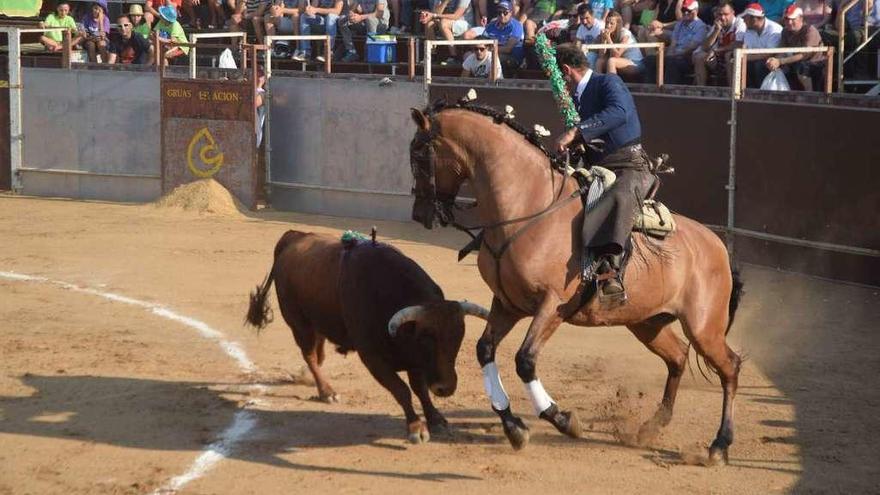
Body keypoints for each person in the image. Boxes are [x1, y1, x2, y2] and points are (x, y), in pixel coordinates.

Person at [554, 42, 655, 301]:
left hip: (628, 164)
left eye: (557, 77)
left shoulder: (608, 83)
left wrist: (576, 132)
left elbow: (618, 113)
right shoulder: (579, 96)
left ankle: (612, 270)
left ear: (566, 70)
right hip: (595, 165)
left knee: (619, 197)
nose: (558, 85)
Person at [766, 4, 825, 90]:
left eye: (792, 19)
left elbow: (805, 54)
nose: (789, 22)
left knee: (802, 68)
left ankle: (810, 95)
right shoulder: (785, 31)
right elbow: (781, 50)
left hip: (815, 62)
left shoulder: (809, 30)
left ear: (801, 18)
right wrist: (774, 61)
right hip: (795, 61)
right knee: (775, 67)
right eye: (786, 19)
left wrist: (780, 61)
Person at [692, 0, 745, 85]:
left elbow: (739, 44)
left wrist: (716, 50)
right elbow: (704, 47)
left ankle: (733, 93)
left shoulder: (740, 23)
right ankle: (700, 90)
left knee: (729, 55)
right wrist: (716, 31)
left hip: (735, 59)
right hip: (719, 60)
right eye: (720, 14)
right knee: (699, 57)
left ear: (733, 13)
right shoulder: (717, 25)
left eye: (726, 14)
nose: (722, 17)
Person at [664, 0, 709, 84]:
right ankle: (651, 89)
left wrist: (673, 55)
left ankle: (669, 90)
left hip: (688, 58)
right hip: (676, 54)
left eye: (688, 11)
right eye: (683, 10)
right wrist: (670, 54)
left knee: (672, 61)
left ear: (696, 11)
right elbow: (673, 43)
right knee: (652, 59)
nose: (685, 13)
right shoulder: (679, 23)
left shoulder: (701, 27)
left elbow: (691, 48)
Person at [420, 0, 474, 64]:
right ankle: (432, 55)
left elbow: (456, 16)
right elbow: (435, 14)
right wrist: (444, 2)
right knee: (429, 24)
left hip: (465, 24)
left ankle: (454, 56)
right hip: (446, 21)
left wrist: (435, 16)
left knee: (444, 23)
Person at [741, 2, 782, 87]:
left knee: (758, 65)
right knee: (741, 63)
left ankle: (760, 92)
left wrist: (744, 58)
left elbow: (769, 53)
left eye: (745, 18)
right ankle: (743, 93)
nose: (743, 20)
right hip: (754, 59)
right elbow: (746, 49)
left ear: (754, 19)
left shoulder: (774, 29)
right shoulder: (749, 30)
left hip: (774, 60)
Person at [595, 10, 645, 79]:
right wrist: (604, 40)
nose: (608, 26)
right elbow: (601, 56)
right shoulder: (609, 33)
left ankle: (611, 85)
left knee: (612, 61)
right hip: (621, 61)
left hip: (635, 63)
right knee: (599, 62)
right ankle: (598, 85)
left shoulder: (625, 34)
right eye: (607, 23)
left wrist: (608, 39)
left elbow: (617, 55)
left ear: (617, 24)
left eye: (611, 23)